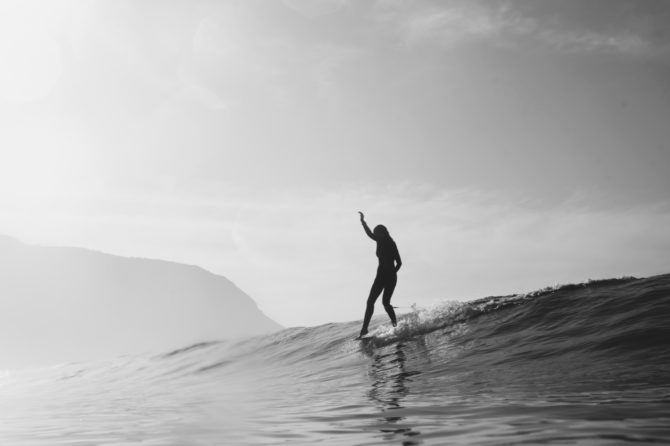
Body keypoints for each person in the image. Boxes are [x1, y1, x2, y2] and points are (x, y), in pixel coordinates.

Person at [358, 211, 402, 338]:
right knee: (372, 301)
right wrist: (363, 222)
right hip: (383, 276)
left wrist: (392, 273)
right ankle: (364, 330)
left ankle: (395, 326)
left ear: (383, 233)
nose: (375, 235)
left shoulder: (389, 243)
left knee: (384, 302)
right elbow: (369, 234)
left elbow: (399, 262)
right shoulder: (381, 240)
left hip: (388, 277)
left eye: (377, 233)